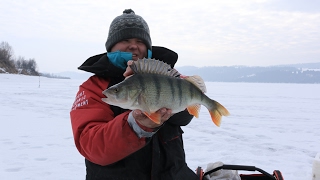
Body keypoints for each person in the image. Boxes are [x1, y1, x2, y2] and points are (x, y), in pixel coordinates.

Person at [70, 9, 203, 180]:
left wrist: (180, 94)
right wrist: (136, 124)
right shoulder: (94, 88)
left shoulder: (167, 76)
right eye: (125, 40)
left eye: (140, 41)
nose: (134, 45)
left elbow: (184, 118)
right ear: (110, 46)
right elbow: (91, 145)